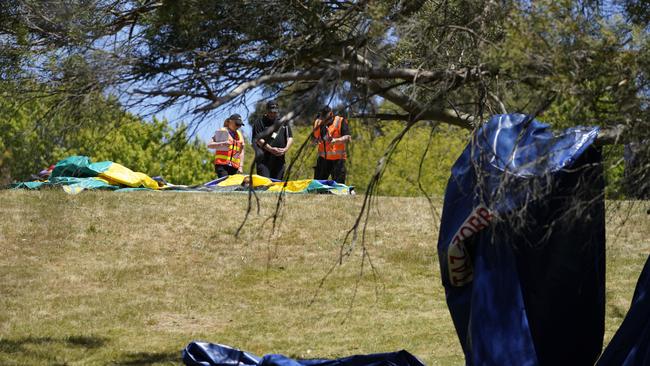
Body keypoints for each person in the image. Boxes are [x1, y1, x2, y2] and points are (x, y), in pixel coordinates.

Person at [252, 100, 294, 180]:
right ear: (266, 110)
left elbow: (290, 137)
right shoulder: (259, 122)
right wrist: (271, 149)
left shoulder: (283, 122)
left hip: (279, 160)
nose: (273, 114)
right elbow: (258, 139)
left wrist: (285, 149)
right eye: (271, 112)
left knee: (277, 185)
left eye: (275, 112)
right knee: (264, 183)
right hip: (264, 160)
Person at [312, 106, 351, 184]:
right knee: (318, 185)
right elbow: (313, 139)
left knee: (339, 187)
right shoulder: (317, 122)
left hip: (338, 160)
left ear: (330, 114)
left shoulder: (341, 121)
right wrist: (315, 141)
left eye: (325, 118)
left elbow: (348, 137)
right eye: (322, 118)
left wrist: (336, 140)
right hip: (323, 159)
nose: (323, 121)